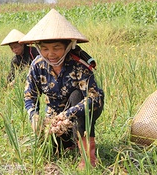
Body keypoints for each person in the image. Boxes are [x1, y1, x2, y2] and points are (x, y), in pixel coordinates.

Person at [19, 9, 104, 170]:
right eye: (45, 49)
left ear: (67, 46)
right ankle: (69, 141)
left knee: (77, 95)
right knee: (52, 150)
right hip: (55, 116)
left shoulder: (79, 64)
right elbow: (30, 96)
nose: (50, 54)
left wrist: (66, 115)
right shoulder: (37, 65)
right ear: (39, 48)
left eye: (56, 48)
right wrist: (34, 116)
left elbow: (94, 97)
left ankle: (88, 159)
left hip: (80, 110)